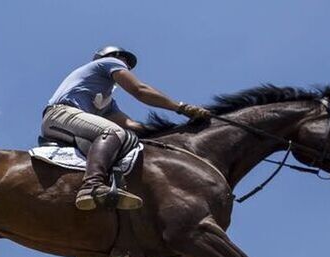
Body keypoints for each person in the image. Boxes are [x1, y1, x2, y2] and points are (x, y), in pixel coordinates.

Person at [42, 46, 211, 210]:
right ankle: (92, 186)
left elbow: (130, 125)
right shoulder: (107, 62)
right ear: (109, 57)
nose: (127, 66)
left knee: (123, 136)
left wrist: (171, 132)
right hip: (61, 114)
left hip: (66, 120)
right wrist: (182, 107)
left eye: (128, 64)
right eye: (123, 60)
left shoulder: (105, 101)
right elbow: (140, 90)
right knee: (112, 132)